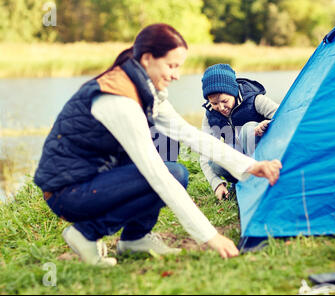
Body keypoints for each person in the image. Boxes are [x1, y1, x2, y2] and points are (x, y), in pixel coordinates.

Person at [34, 24, 282, 266]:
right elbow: (156, 176)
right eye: (172, 65)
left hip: (96, 178)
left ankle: (135, 240)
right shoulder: (119, 99)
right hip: (67, 192)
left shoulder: (143, 89)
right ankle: (86, 232)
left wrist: (251, 166)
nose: (176, 75)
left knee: (177, 171)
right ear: (148, 59)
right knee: (168, 175)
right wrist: (210, 237)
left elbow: (192, 135)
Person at [200, 64, 280, 200]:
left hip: (263, 154)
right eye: (214, 103)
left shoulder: (255, 100)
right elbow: (204, 155)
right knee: (214, 158)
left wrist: (267, 123)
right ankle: (240, 182)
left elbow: (285, 116)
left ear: (234, 91)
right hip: (238, 161)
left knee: (249, 129)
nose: (220, 107)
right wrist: (217, 184)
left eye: (224, 101)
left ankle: (260, 181)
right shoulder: (210, 115)